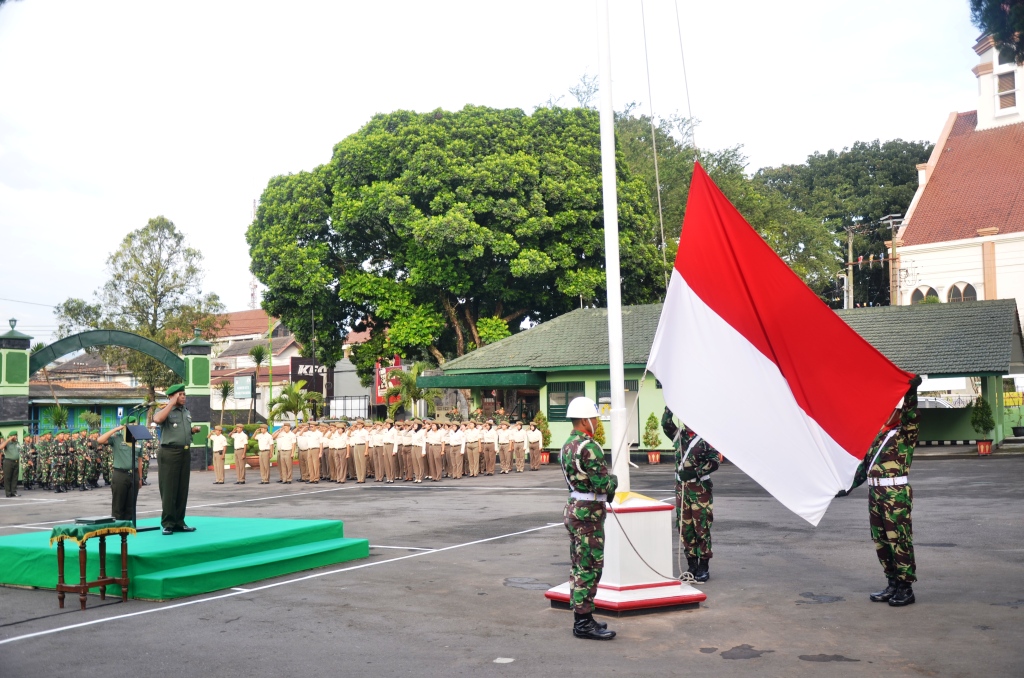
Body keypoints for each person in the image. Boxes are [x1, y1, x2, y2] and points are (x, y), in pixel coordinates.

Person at [843, 376, 922, 607]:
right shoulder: (879, 437)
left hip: (894, 494)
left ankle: (906, 588)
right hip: (875, 494)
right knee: (881, 540)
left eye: (891, 409)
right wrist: (847, 487)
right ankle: (892, 583)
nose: (887, 413)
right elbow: (865, 467)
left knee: (899, 539)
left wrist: (911, 394)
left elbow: (911, 414)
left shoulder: (905, 434)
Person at [560, 397, 617, 640]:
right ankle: (582, 623)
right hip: (588, 513)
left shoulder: (568, 444)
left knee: (579, 564)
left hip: (576, 507)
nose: (596, 422)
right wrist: (614, 481)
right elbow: (603, 484)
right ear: (585, 420)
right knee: (589, 567)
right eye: (594, 418)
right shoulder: (589, 447)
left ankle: (584, 616)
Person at [661, 407, 720, 582]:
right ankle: (692, 564)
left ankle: (704, 566)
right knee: (684, 528)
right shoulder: (679, 436)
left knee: (701, 527)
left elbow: (714, 461)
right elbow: (665, 424)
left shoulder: (704, 438)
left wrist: (697, 473)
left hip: (700, 489)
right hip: (682, 489)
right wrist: (669, 407)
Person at [152, 383, 201, 535]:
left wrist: (192, 430)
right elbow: (158, 419)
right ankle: (168, 523)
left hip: (184, 452)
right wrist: (171, 403)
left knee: (182, 489)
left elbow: (180, 430)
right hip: (169, 452)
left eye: (184, 394)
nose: (184, 397)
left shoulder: (185, 411)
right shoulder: (164, 409)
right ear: (172, 396)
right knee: (169, 489)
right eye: (180, 394)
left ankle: (180, 521)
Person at [98, 421, 144, 520]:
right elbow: (100, 440)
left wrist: (140, 478)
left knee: (131, 504)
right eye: (131, 424)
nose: (134, 426)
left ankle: (128, 527)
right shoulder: (117, 438)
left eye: (135, 424)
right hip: (120, 474)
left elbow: (140, 461)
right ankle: (118, 528)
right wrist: (115, 429)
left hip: (134, 475)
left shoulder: (138, 440)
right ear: (124, 426)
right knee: (118, 505)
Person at [1, 432, 22, 497]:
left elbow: (20, 450)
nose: (15, 437)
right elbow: (1, 447)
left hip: (16, 462)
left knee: (15, 478)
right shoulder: (7, 443)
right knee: (8, 478)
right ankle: (8, 493)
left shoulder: (17, 443)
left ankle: (14, 492)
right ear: (10, 436)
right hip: (8, 462)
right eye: (14, 436)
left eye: (16, 435)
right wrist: (8, 439)